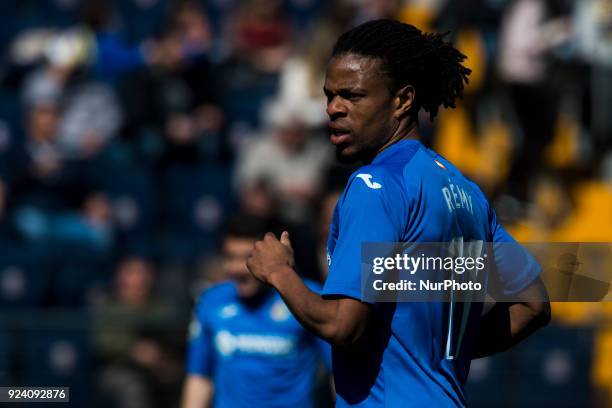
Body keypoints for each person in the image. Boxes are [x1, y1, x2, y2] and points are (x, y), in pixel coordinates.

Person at [247, 19, 551, 407]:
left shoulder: (375, 187)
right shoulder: (466, 190)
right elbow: (533, 305)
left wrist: (279, 273)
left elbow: (342, 324)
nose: (333, 109)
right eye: (329, 96)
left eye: (352, 96)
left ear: (402, 100)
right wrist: (440, 353)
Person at [181, 213, 331, 408]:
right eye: (230, 257)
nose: (237, 268)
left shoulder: (306, 297)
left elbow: (339, 375)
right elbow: (199, 378)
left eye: (247, 258)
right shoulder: (211, 300)